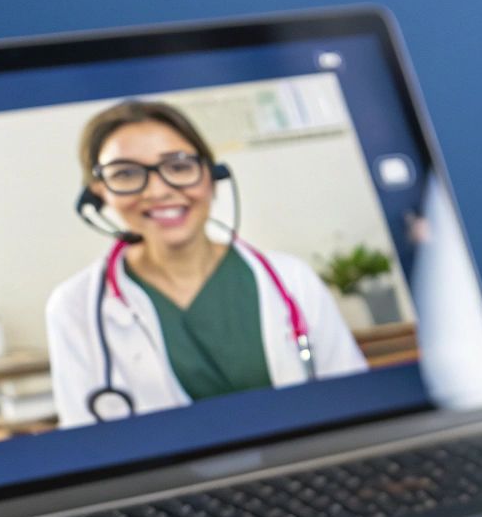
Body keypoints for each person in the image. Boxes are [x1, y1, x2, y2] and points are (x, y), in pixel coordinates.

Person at [46, 99, 367, 428]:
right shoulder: (74, 307)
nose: (158, 190)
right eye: (126, 174)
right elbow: (88, 444)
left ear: (211, 176)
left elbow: (358, 406)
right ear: (99, 192)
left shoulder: (292, 278)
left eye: (179, 166)